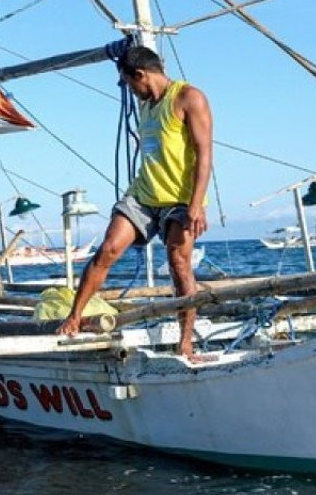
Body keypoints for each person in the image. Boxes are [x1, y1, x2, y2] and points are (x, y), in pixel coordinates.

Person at [57, 45, 214, 362]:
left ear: (141, 75)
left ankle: (185, 344)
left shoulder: (189, 98)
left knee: (178, 263)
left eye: (130, 84)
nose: (131, 90)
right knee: (107, 250)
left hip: (182, 198)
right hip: (144, 193)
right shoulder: (146, 105)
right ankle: (74, 316)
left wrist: (196, 205)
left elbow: (205, 153)